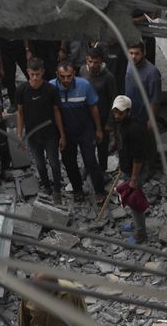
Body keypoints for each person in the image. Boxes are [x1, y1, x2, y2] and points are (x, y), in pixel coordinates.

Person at [50, 61, 107, 205]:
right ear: (57, 75)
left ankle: (100, 190)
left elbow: (94, 108)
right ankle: (77, 190)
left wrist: (99, 129)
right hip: (65, 133)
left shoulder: (84, 85)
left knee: (90, 161)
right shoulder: (50, 87)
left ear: (74, 74)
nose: (66, 80)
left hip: (85, 130)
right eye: (62, 77)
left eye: (69, 76)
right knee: (69, 162)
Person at [17, 58, 67, 205]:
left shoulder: (51, 90)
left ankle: (57, 189)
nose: (35, 77)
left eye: (37, 74)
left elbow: (57, 112)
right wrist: (20, 135)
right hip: (32, 135)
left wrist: (62, 135)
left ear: (43, 73)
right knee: (39, 164)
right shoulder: (22, 90)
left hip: (50, 134)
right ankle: (46, 186)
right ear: (27, 73)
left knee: (54, 163)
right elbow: (20, 113)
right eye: (32, 74)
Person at [111, 95, 155, 244]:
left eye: (121, 112)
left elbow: (138, 156)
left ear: (128, 111)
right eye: (115, 111)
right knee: (130, 200)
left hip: (135, 172)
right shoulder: (121, 124)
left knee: (135, 201)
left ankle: (141, 234)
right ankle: (136, 225)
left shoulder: (134, 129)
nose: (117, 115)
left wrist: (134, 178)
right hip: (127, 169)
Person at [79, 47, 116, 174]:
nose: (92, 65)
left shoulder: (108, 77)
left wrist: (110, 122)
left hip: (103, 117)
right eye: (90, 61)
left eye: (96, 62)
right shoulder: (83, 71)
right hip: (87, 118)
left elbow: (113, 100)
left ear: (101, 62)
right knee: (87, 145)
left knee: (102, 147)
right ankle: (88, 166)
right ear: (86, 60)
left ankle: (102, 169)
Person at [124, 41, 161, 129]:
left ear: (144, 53)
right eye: (131, 53)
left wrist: (151, 119)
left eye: (137, 53)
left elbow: (155, 99)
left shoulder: (152, 73)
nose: (133, 57)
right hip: (129, 114)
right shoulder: (129, 64)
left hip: (143, 118)